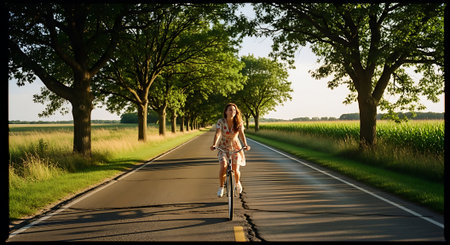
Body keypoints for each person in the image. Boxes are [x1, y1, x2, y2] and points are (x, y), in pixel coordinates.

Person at [210, 103, 251, 197]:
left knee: (235, 169)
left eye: (234, 110)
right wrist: (214, 144)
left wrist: (245, 145)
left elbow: (241, 134)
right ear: (226, 112)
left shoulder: (239, 122)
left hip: (235, 147)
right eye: (230, 110)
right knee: (223, 165)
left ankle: (237, 183)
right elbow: (218, 133)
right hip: (223, 147)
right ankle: (221, 187)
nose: (232, 111)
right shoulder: (221, 121)